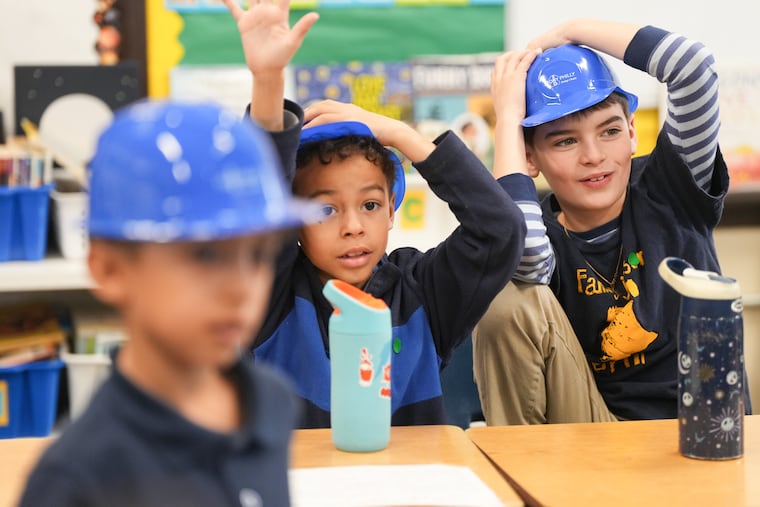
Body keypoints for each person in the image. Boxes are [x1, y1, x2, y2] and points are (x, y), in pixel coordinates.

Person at [17, 3, 324, 507]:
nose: (242, 286)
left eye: (257, 254)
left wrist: (269, 81)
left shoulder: (269, 401)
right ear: (109, 268)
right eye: (205, 256)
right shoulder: (78, 479)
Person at [223, 2, 528, 429]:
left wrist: (399, 134)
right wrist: (268, 80)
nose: (353, 226)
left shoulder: (423, 292)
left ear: (390, 211)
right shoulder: (273, 294)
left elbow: (501, 229)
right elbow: (261, 201)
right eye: (324, 209)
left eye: (369, 205)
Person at [473, 19, 752, 425]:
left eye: (609, 131)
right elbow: (529, 259)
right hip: (596, 429)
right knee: (507, 300)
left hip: (702, 426)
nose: (593, 155)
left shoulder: (672, 187)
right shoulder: (540, 233)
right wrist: (508, 116)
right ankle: (527, 470)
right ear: (528, 157)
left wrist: (572, 30)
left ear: (633, 131)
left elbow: (692, 67)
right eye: (565, 140)